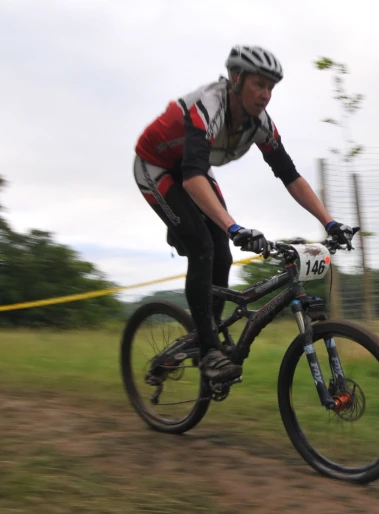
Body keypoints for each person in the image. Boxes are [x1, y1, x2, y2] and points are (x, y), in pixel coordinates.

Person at [133, 45, 354, 384]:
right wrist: (234, 226)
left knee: (222, 253)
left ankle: (208, 335)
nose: (266, 95)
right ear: (236, 79)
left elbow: (290, 176)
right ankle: (209, 350)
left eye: (271, 88)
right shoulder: (207, 106)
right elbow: (192, 176)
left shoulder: (261, 124)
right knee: (203, 246)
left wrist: (330, 222)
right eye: (259, 85)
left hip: (193, 169)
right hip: (158, 166)